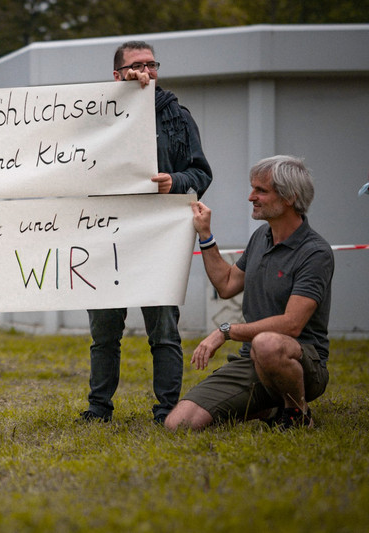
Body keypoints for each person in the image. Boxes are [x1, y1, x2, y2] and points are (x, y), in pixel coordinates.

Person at [79, 41, 213, 424]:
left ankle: (167, 411)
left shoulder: (177, 117)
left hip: (159, 238)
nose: (146, 71)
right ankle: (98, 409)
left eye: (152, 64)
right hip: (106, 238)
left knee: (164, 331)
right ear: (117, 75)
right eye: (137, 65)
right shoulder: (97, 117)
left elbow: (202, 172)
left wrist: (175, 181)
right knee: (104, 333)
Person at [165, 155, 333, 430]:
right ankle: (269, 408)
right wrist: (205, 235)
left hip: (302, 365)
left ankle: (296, 413)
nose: (250, 197)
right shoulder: (261, 237)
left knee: (267, 343)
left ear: (290, 197)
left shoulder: (315, 252)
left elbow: (292, 324)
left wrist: (225, 331)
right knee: (179, 423)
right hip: (252, 362)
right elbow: (227, 284)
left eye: (261, 190)